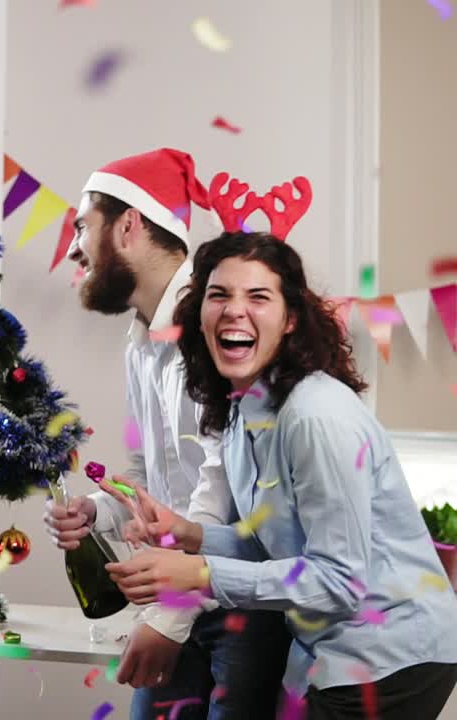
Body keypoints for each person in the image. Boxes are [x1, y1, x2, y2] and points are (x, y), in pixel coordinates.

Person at [104, 228, 457, 720]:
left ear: (291, 319)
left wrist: (202, 573)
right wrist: (188, 533)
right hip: (336, 652)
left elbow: (338, 582)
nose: (235, 310)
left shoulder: (315, 415)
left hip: (394, 656)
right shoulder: (243, 410)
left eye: (258, 297)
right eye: (219, 295)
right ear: (199, 315)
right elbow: (276, 546)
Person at [43, 149, 290, 720]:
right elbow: (151, 474)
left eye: (82, 226)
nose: (75, 247)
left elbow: (219, 487)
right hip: (176, 598)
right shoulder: (139, 343)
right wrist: (99, 510)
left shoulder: (214, 328)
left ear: (128, 226)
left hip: (240, 604)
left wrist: (167, 618)